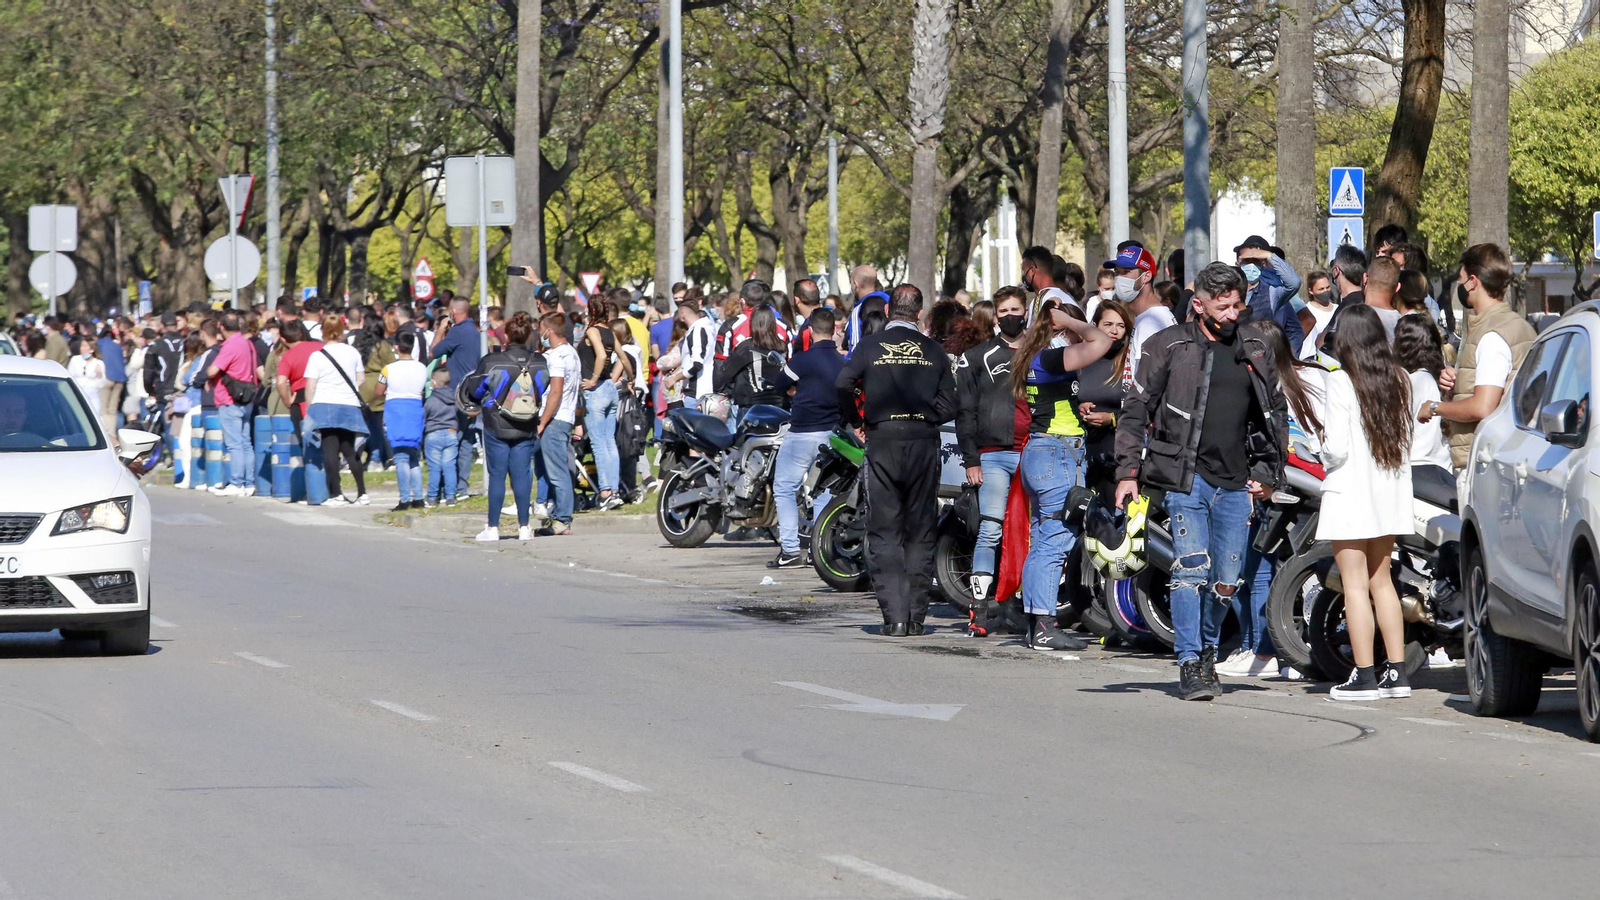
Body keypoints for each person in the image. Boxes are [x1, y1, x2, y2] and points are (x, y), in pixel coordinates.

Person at [1115, 263, 1287, 701]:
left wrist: (1268, 473)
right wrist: (1127, 474)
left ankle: (1209, 649)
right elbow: (1136, 409)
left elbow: (1272, 414)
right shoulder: (1168, 345)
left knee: (1226, 580)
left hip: (1236, 483)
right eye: (1222, 306)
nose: (1232, 313)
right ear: (1199, 305)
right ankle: (1190, 659)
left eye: (1237, 304)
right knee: (1191, 570)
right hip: (1184, 478)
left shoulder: (1256, 346)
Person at [835, 284, 957, 636]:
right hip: (922, 441)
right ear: (919, 313)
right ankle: (916, 617)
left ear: (889, 312)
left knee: (885, 530)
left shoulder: (869, 346)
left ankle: (896, 616)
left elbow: (843, 384)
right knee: (920, 529)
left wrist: (857, 420)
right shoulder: (933, 350)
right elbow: (951, 401)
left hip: (883, 438)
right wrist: (924, 414)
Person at [1216, 319, 1325, 679]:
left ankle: (1265, 650)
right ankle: (1273, 651)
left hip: (1285, 489)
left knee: (1260, 568)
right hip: (1302, 488)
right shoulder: (1311, 376)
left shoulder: (1279, 385)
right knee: (1284, 572)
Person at [1318, 305, 1415, 701]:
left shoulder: (1341, 382)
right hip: (1388, 493)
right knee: (1382, 582)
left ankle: (1364, 675)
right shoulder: (1401, 379)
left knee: (1354, 586)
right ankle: (1397, 672)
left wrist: (1318, 445)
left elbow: (1335, 449)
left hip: (1350, 493)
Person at [1011, 294, 1115, 651]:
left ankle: (1035, 623)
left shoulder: (1035, 356)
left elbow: (1053, 401)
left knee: (1043, 541)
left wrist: (1075, 403)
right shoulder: (1052, 355)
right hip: (1057, 454)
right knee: (1055, 542)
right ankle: (1043, 625)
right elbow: (1102, 340)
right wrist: (1069, 322)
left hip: (1043, 452)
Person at [1419, 243, 1536, 468]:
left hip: (1484, 462)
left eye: (1461, 280)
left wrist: (1435, 407)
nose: (1460, 286)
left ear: (1473, 281)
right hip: (1502, 455)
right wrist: (1460, 380)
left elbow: (1483, 406)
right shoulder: (1519, 326)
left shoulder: (1492, 334)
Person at [955, 286, 1032, 603]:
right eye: (1004, 311)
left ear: (1026, 311)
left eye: (1016, 310)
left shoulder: (1043, 352)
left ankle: (1030, 605)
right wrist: (971, 459)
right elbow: (965, 411)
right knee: (990, 529)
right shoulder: (977, 357)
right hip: (994, 457)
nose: (1011, 316)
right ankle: (981, 607)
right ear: (995, 316)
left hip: (1035, 453)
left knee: (1033, 533)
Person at [766, 307, 845, 568]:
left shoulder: (801, 360)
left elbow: (779, 383)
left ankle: (790, 550)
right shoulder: (842, 362)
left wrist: (795, 389)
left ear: (810, 331)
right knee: (823, 491)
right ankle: (817, 549)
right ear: (834, 330)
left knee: (784, 488)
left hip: (801, 433)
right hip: (832, 436)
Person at [465, 312, 546, 541]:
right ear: (529, 335)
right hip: (527, 424)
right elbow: (542, 388)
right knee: (522, 475)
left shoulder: (491, 361)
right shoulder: (540, 361)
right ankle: (524, 527)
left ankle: (493, 528)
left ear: (506, 336)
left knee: (497, 475)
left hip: (496, 423)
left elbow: (475, 390)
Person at [303, 314, 369, 507]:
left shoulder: (317, 355)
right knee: (350, 449)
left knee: (330, 451)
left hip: (324, 404)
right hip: (349, 404)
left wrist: (310, 409)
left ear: (323, 332)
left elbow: (311, 386)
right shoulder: (352, 353)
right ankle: (362, 492)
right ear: (342, 330)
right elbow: (361, 379)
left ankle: (336, 493)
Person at [1077, 299, 1134, 486]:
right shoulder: (1078, 359)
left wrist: (1113, 419)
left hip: (1119, 456)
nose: (1114, 331)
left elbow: (1142, 409)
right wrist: (1078, 407)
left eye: (1120, 326)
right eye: (1108, 324)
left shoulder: (1131, 362)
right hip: (1083, 453)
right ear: (1094, 326)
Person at [577, 295, 626, 510]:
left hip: (596, 390)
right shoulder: (610, 332)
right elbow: (623, 359)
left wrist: (593, 379)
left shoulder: (592, 331)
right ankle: (614, 489)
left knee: (598, 443)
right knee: (609, 442)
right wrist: (631, 379)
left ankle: (606, 491)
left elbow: (601, 356)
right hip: (610, 389)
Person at [536, 311, 580, 535]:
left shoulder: (556, 357)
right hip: (567, 417)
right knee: (559, 469)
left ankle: (562, 519)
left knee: (557, 472)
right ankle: (559, 516)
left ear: (549, 331)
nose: (540, 334)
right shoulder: (572, 353)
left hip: (555, 419)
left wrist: (543, 422)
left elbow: (556, 391)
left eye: (541, 329)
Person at [207, 313, 261, 496]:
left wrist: (208, 372)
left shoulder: (230, 345)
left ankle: (236, 483)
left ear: (221, 327)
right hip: (247, 397)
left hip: (229, 399)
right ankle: (249, 483)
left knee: (234, 444)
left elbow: (213, 370)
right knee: (246, 443)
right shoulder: (248, 343)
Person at [376, 331, 428, 511]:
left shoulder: (388, 369)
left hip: (395, 411)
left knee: (400, 457)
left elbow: (378, 390)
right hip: (415, 410)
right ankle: (419, 498)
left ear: (396, 347)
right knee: (414, 456)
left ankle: (404, 498)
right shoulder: (422, 368)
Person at [1234, 235, 1305, 355]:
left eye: (1255, 261)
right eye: (1247, 261)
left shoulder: (1272, 293)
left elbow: (1294, 283)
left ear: (1262, 265)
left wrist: (1269, 256)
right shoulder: (1229, 292)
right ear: (1238, 264)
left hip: (1264, 360)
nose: (1251, 266)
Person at [1115, 243, 1175, 378]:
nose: (1119, 279)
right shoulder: (1147, 317)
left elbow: (1148, 380)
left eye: (1126, 272)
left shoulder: (1151, 322)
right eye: (1117, 273)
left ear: (1146, 277)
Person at [714, 305, 789, 412]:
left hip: (750, 405)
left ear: (752, 324)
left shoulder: (746, 347)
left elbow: (726, 373)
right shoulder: (782, 345)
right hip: (779, 403)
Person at [610, 317, 649, 502]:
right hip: (634, 402)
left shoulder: (624, 353)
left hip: (623, 404)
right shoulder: (635, 349)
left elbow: (613, 379)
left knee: (623, 445)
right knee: (629, 446)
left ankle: (625, 486)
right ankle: (629, 485)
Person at [354, 319, 397, 471]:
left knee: (363, 427)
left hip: (360, 387)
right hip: (378, 386)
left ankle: (359, 456)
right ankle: (376, 458)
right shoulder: (383, 346)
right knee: (377, 427)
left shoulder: (358, 345)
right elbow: (392, 366)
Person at [423, 369, 459, 507]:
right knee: (450, 466)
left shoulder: (431, 400)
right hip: (451, 433)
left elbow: (424, 417)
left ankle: (432, 498)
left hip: (433, 434)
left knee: (435, 468)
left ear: (433, 383)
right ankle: (450, 497)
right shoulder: (454, 398)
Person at [96, 323, 128, 438]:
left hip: (106, 378)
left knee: (103, 409)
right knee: (113, 410)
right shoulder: (117, 346)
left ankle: (107, 435)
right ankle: (113, 434)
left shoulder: (99, 344)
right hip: (120, 379)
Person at [1299, 270, 1338, 357]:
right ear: (1311, 291)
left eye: (1327, 287)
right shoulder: (1306, 312)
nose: (1325, 291)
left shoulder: (1338, 309)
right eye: (1321, 289)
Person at [68, 337, 107, 418]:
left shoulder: (98, 363)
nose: (81, 348)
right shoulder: (75, 360)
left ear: (91, 349)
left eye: (85, 346)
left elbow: (101, 384)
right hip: (77, 395)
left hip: (92, 397)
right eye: (81, 346)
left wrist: (99, 374)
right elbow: (70, 376)